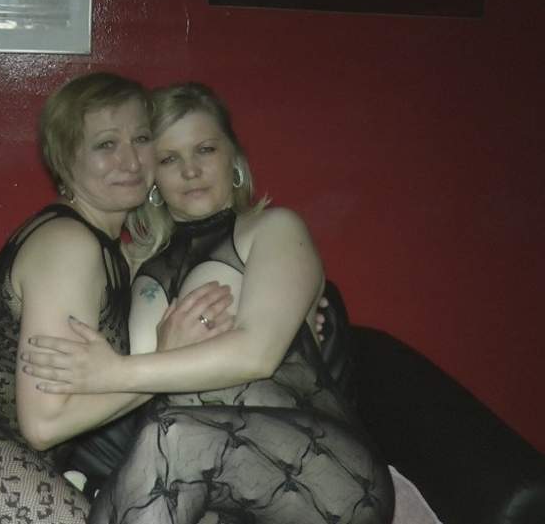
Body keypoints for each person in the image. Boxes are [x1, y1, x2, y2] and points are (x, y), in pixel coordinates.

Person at [0, 72, 231, 524]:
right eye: (106, 144)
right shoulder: (70, 246)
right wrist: (163, 367)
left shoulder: (112, 252)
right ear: (65, 158)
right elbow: (44, 425)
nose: (131, 160)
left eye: (140, 138)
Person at [20, 82, 395, 523]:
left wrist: (116, 371)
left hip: (327, 474)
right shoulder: (135, 266)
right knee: (168, 439)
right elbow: (54, 273)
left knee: (172, 434)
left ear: (233, 157)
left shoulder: (274, 229)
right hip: (217, 483)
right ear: (152, 177)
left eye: (205, 150)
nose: (191, 170)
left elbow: (256, 354)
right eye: (169, 159)